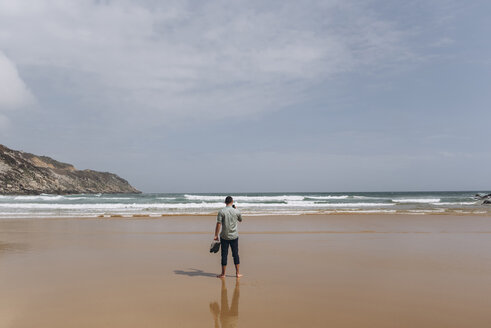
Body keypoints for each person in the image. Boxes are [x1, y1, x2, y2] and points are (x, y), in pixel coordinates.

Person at [214, 196, 243, 278]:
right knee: (235, 254)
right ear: (232, 202)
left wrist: (216, 235)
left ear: (225, 202)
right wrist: (236, 209)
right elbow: (240, 220)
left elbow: (218, 224)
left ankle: (223, 274)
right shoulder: (236, 211)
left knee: (224, 255)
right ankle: (237, 273)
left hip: (224, 236)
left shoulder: (222, 211)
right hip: (234, 236)